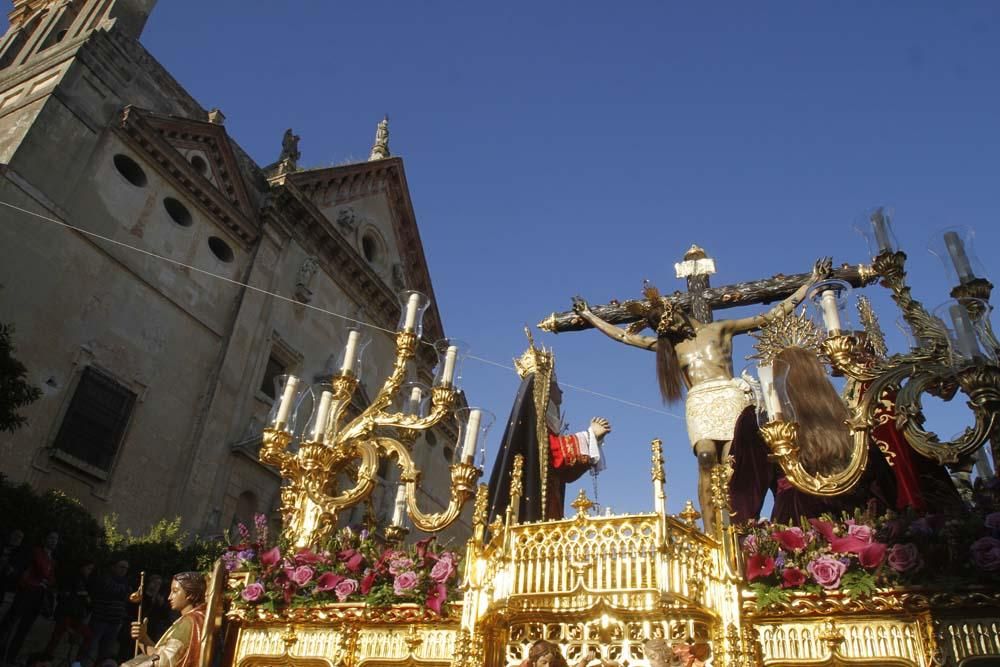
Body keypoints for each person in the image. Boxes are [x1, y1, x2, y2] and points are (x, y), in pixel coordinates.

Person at [572, 258, 831, 532]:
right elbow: (625, 337)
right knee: (706, 457)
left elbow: (769, 316)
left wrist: (810, 282)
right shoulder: (672, 347)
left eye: (669, 321)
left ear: (676, 311)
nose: (671, 328)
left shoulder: (719, 330)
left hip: (729, 396)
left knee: (734, 464)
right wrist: (591, 317)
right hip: (699, 401)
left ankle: (735, 527)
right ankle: (711, 533)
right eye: (664, 328)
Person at [728, 346, 898, 524]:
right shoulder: (853, 421)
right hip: (861, 524)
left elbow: (744, 495)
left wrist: (738, 536)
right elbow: (885, 486)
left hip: (799, 526)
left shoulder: (761, 419)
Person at [487, 332, 611, 523]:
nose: (561, 390)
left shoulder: (545, 428)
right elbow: (554, 452)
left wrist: (594, 440)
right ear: (543, 387)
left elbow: (565, 470)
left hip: (550, 502)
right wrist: (590, 435)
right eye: (555, 385)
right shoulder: (536, 430)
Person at [0, 530, 58, 665]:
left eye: (56, 539)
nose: (53, 541)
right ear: (45, 539)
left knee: (23, 629)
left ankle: (10, 658)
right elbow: (41, 569)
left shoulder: (52, 560)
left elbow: (52, 579)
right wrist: (44, 578)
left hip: (38, 597)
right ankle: (4, 656)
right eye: (51, 537)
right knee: (11, 626)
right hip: (27, 592)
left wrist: (45, 579)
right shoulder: (37, 551)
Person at [125, 572, 206, 667]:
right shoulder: (196, 618)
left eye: (175, 591)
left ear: (190, 594)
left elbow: (163, 662)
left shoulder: (189, 622)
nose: (169, 597)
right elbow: (161, 654)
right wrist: (143, 637)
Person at [44, 559, 95, 659]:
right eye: (89, 568)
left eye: (91, 569)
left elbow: (87, 600)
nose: (90, 571)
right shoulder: (73, 578)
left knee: (87, 636)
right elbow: (64, 595)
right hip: (66, 613)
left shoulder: (86, 581)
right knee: (56, 638)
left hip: (76, 616)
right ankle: (46, 659)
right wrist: (81, 595)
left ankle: (76, 663)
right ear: (83, 567)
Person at [86, 559, 131, 664]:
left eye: (126, 568)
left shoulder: (126, 582)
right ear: (113, 567)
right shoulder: (104, 578)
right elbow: (111, 590)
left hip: (115, 622)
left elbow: (127, 596)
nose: (124, 570)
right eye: (121, 567)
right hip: (100, 619)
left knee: (104, 652)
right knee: (89, 649)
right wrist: (123, 591)